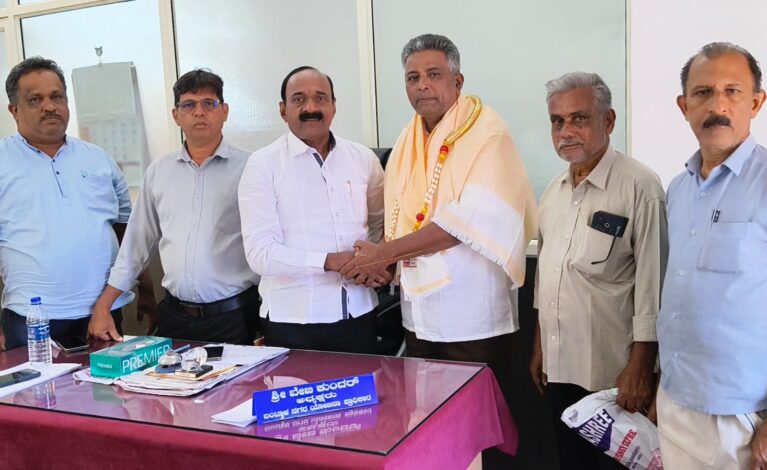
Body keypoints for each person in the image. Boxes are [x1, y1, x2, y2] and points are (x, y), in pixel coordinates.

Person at [339, 33, 536, 418]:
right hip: (419, 315)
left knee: (478, 426)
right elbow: (401, 215)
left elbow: (460, 224)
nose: (422, 85)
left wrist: (383, 254)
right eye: (412, 78)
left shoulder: (488, 134)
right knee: (429, 423)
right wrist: (385, 265)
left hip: (472, 318)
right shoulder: (408, 137)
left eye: (433, 74)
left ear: (457, 82)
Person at [531, 72, 668, 470]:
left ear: (608, 121)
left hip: (615, 377)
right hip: (560, 367)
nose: (566, 131)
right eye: (557, 121)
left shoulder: (640, 187)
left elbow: (653, 288)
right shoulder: (553, 191)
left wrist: (641, 368)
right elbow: (547, 276)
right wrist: (539, 346)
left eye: (579, 118)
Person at [656, 42, 767, 470]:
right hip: (675, 401)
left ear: (756, 103)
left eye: (732, 91)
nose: (717, 106)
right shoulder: (678, 190)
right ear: (684, 106)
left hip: (745, 417)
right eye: (703, 93)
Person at [88, 69, 260, 345]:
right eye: (188, 105)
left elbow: (267, 244)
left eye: (209, 103)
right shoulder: (159, 172)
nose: (199, 112)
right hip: (175, 319)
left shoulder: (252, 169)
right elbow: (136, 245)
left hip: (236, 319)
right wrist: (104, 305)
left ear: (225, 111)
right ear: (176, 115)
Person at [237, 66, 384, 353]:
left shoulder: (362, 158)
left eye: (321, 98)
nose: (311, 108)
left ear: (334, 106)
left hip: (359, 314)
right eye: (299, 99)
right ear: (283, 110)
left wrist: (374, 262)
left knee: (364, 385)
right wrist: (328, 261)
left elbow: (380, 224)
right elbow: (260, 253)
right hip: (292, 322)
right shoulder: (262, 165)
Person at [0, 57, 134, 350]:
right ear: (14, 110)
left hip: (102, 313)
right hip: (31, 319)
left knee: (106, 382)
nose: (49, 106)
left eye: (56, 96)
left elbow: (127, 229)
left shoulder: (98, 158)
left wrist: (143, 289)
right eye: (35, 99)